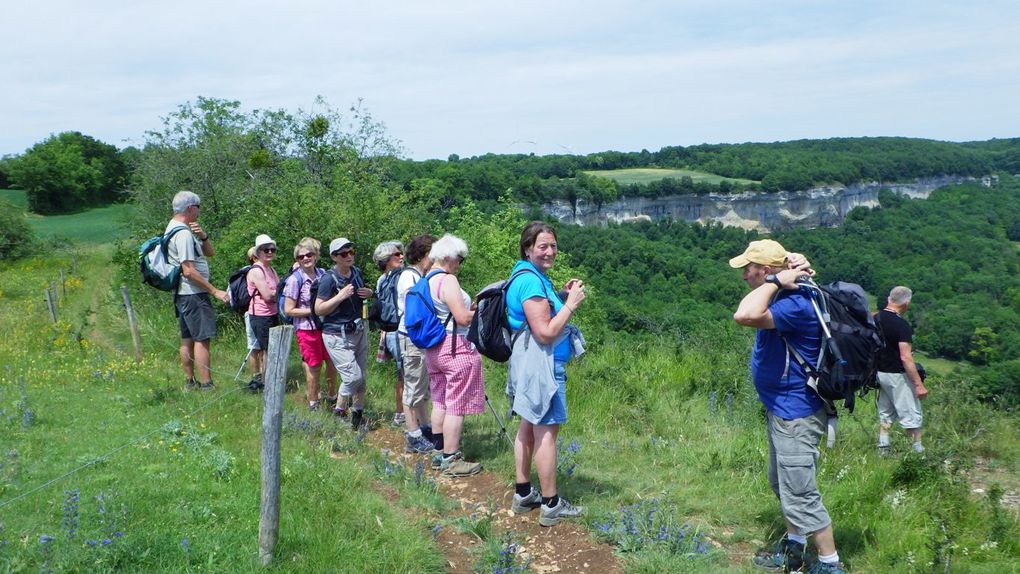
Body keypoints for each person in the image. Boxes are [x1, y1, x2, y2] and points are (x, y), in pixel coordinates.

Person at [730, 239, 845, 574]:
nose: (744, 276)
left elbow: (744, 314)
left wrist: (778, 280)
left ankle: (829, 564)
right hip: (782, 409)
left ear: (765, 270)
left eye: (748, 270)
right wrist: (782, 277)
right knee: (783, 484)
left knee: (801, 491)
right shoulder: (784, 292)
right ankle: (795, 550)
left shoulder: (793, 302)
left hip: (797, 411)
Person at [506, 222, 587, 527]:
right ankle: (551, 504)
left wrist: (560, 294)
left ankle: (524, 493)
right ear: (527, 248)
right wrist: (571, 304)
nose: (550, 251)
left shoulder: (528, 276)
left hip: (529, 364)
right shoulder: (530, 282)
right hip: (542, 366)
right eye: (542, 246)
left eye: (553, 245)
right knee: (547, 432)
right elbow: (544, 333)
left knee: (528, 427)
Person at [424, 234, 484, 477]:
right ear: (448, 257)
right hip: (455, 346)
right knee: (456, 405)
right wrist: (481, 311)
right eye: (459, 259)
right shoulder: (448, 280)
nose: (460, 264)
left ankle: (438, 452)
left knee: (439, 400)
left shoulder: (426, 279)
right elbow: (462, 318)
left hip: (434, 347)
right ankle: (452, 457)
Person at [165, 191, 229, 391]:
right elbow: (189, 271)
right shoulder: (182, 234)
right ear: (190, 208)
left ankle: (190, 382)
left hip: (183, 294)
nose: (199, 210)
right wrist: (214, 290)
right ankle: (206, 384)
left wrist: (203, 237)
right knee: (202, 339)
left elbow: (210, 253)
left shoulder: (174, 229)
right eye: (198, 206)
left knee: (187, 337)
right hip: (194, 294)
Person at [317, 237, 373, 430]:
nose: (349, 256)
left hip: (358, 330)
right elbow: (319, 309)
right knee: (352, 377)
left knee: (362, 377)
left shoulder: (356, 273)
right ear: (334, 257)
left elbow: (361, 297)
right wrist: (339, 297)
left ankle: (357, 414)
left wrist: (369, 293)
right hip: (336, 335)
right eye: (344, 254)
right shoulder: (328, 280)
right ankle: (339, 412)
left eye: (351, 252)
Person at [283, 238, 338, 410]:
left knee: (332, 362)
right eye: (301, 257)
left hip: (326, 327)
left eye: (309, 254)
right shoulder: (294, 280)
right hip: (306, 330)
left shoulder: (324, 274)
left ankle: (332, 397)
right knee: (314, 366)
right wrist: (315, 310)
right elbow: (289, 310)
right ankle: (314, 402)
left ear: (316, 256)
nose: (306, 258)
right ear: (297, 260)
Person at [875, 286, 928, 454]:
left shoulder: (875, 319)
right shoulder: (901, 325)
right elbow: (905, 357)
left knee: (886, 412)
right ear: (907, 303)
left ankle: (883, 448)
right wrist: (919, 385)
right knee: (911, 415)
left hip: (880, 373)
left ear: (890, 298)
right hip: (898, 375)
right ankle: (917, 453)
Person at [396, 234, 436, 453]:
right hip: (411, 338)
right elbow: (416, 306)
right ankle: (413, 434)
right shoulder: (408, 277)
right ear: (423, 255)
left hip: (421, 338)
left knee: (422, 385)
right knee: (412, 386)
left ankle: (425, 426)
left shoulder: (420, 276)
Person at [373, 240, 406, 426]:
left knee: (402, 373)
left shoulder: (381, 280)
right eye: (396, 254)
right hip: (399, 331)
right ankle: (403, 414)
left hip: (389, 331)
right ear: (386, 259)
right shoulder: (401, 277)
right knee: (405, 374)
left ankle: (401, 413)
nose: (401, 256)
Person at [245, 234, 280, 392]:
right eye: (266, 250)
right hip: (260, 315)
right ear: (258, 252)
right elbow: (268, 295)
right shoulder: (257, 271)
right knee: (266, 349)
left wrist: (275, 294)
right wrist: (275, 294)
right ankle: (267, 383)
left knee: (271, 348)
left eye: (272, 249)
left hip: (272, 313)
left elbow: (278, 291)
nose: (270, 252)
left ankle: (269, 380)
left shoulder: (270, 269)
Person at [243, 246, 260, 386]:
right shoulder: (254, 272)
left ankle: (259, 375)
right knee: (255, 347)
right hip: (253, 312)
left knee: (255, 346)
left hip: (250, 312)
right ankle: (257, 376)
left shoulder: (247, 271)